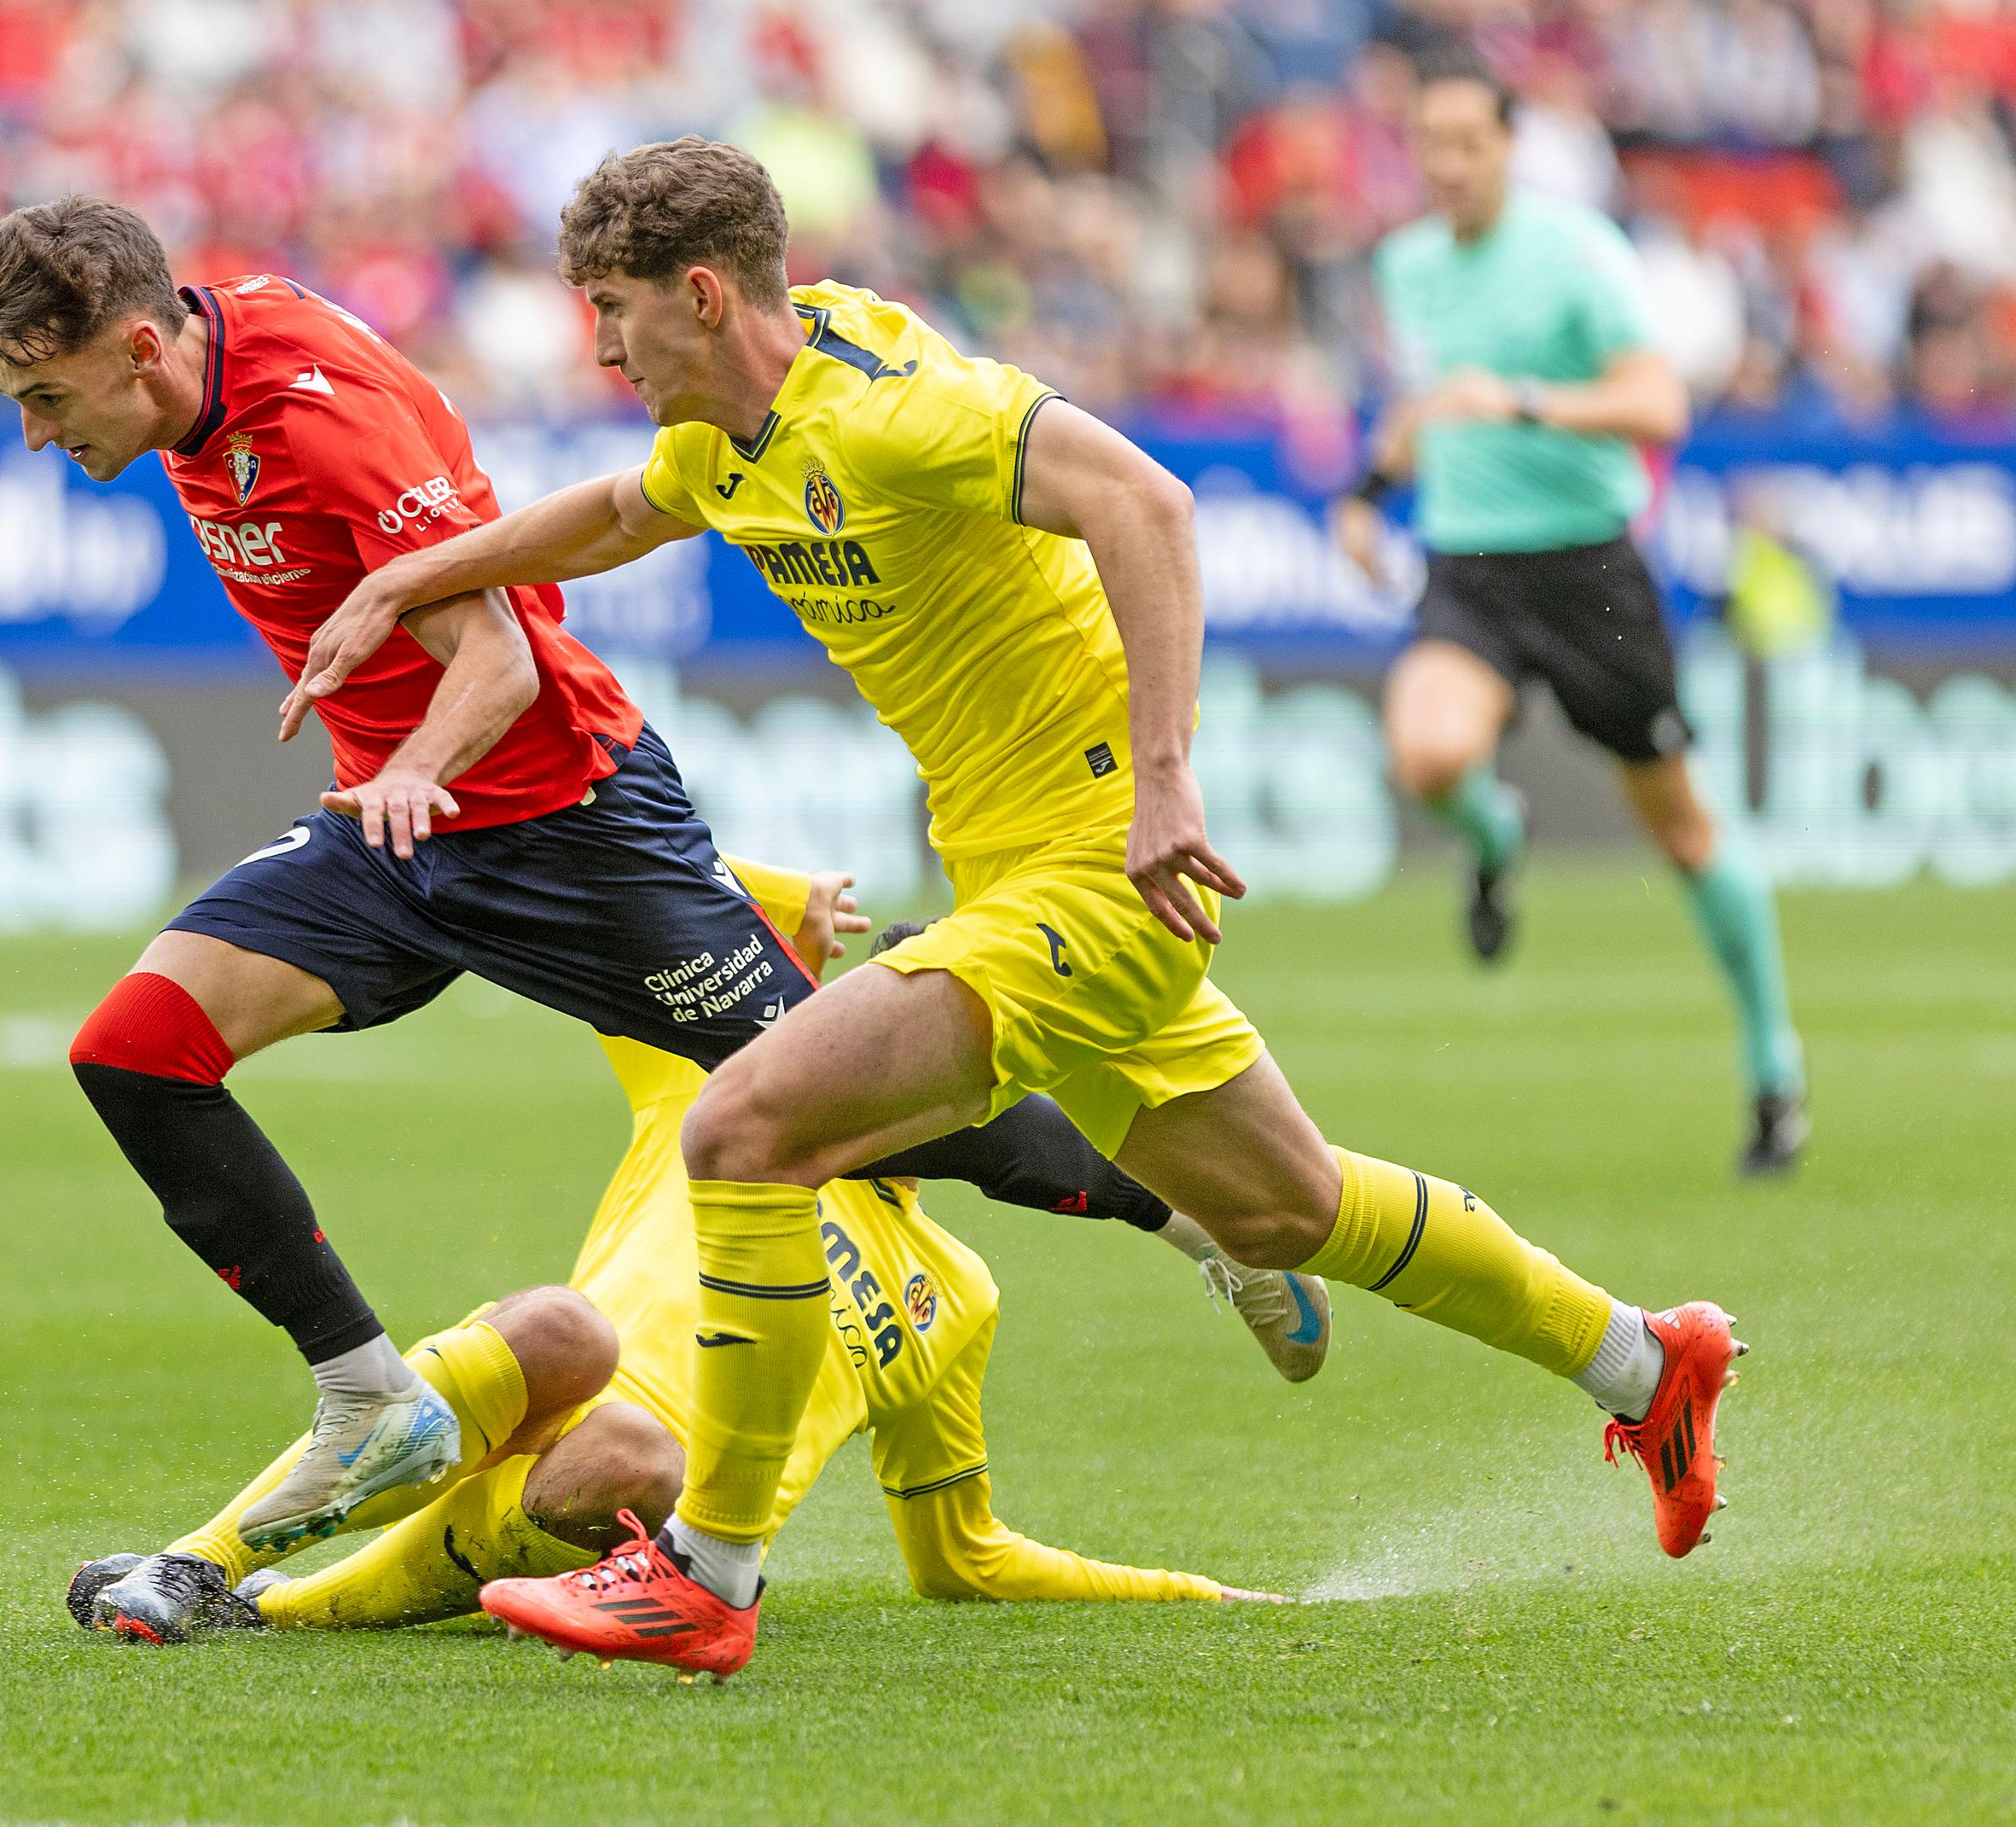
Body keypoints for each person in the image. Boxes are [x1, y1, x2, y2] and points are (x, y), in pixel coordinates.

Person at [290, 138, 1740, 1679]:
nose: (596, 344)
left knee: (745, 1131)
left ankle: (707, 1573)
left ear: (701, 296)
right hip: (1024, 869)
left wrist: (1168, 781)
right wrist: (406, 580)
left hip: (1099, 869)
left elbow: (1149, 504)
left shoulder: (898, 410)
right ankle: (1647, 1361)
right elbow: (613, 518)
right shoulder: (736, 429)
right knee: (1281, 1210)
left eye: (614, 310)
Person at [0, 197, 1332, 1556]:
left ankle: (1199, 1214)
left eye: (46, 396)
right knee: (137, 1051)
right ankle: (368, 1393)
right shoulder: (212, 363)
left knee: (844, 1093)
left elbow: (501, 662)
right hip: (395, 839)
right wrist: (392, 792)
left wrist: (410, 768)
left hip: (566, 828)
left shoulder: (320, 424)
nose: (38, 432)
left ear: (142, 347)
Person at [63, 870, 1280, 1655]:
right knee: (562, 1331)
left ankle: (279, 1604)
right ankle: (204, 1566)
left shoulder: (960, 1297)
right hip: (496, 1427)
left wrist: (1197, 1592)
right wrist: (776, 902)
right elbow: (607, 890)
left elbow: (965, 1557)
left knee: (642, 1449)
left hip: (615, 1513)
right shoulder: (712, 1092)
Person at [1333, 51, 1806, 1176]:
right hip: (1469, 569)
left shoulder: (1578, 255)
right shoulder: (1405, 267)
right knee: (1428, 756)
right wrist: (1368, 493)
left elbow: (1660, 401)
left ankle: (1772, 1070)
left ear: (1508, 148)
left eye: (1467, 143)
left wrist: (1528, 401)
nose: (1445, 165)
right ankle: (1500, 841)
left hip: (1590, 573)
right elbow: (1427, 400)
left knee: (1683, 831)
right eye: (1429, 145)